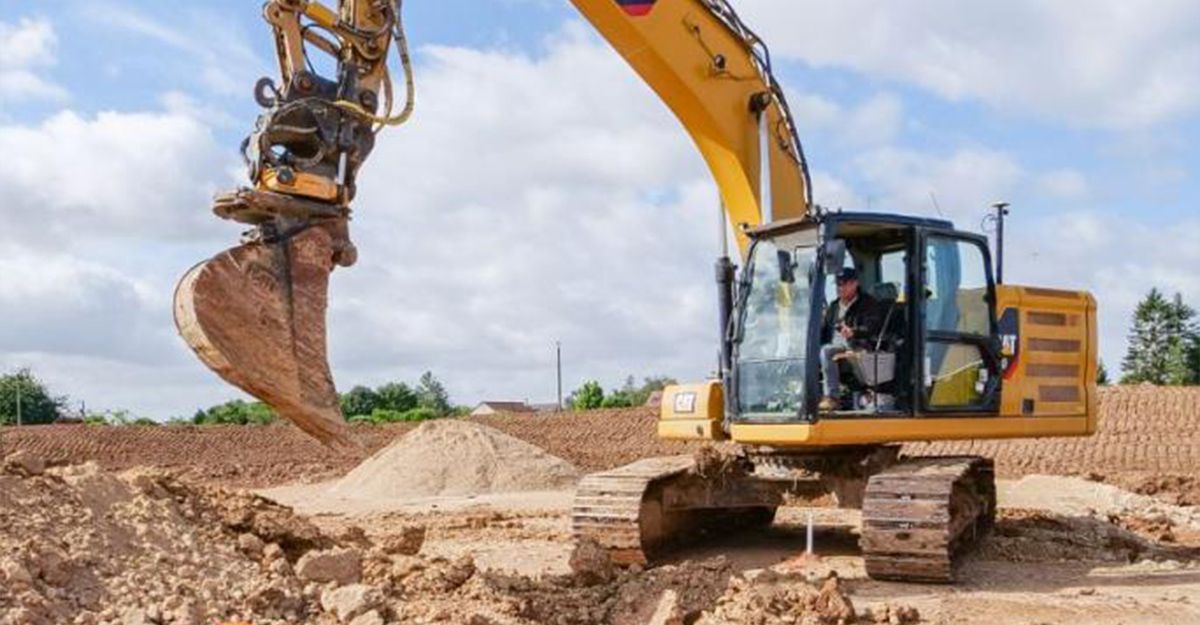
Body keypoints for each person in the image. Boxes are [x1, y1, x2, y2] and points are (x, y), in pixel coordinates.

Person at [818, 267, 883, 411]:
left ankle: (832, 398)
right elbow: (824, 329)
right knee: (812, 351)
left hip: (857, 346)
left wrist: (854, 332)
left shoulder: (868, 304)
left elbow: (873, 327)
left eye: (844, 284)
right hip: (835, 345)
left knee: (827, 352)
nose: (840, 288)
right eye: (838, 284)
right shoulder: (834, 306)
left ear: (855, 284)